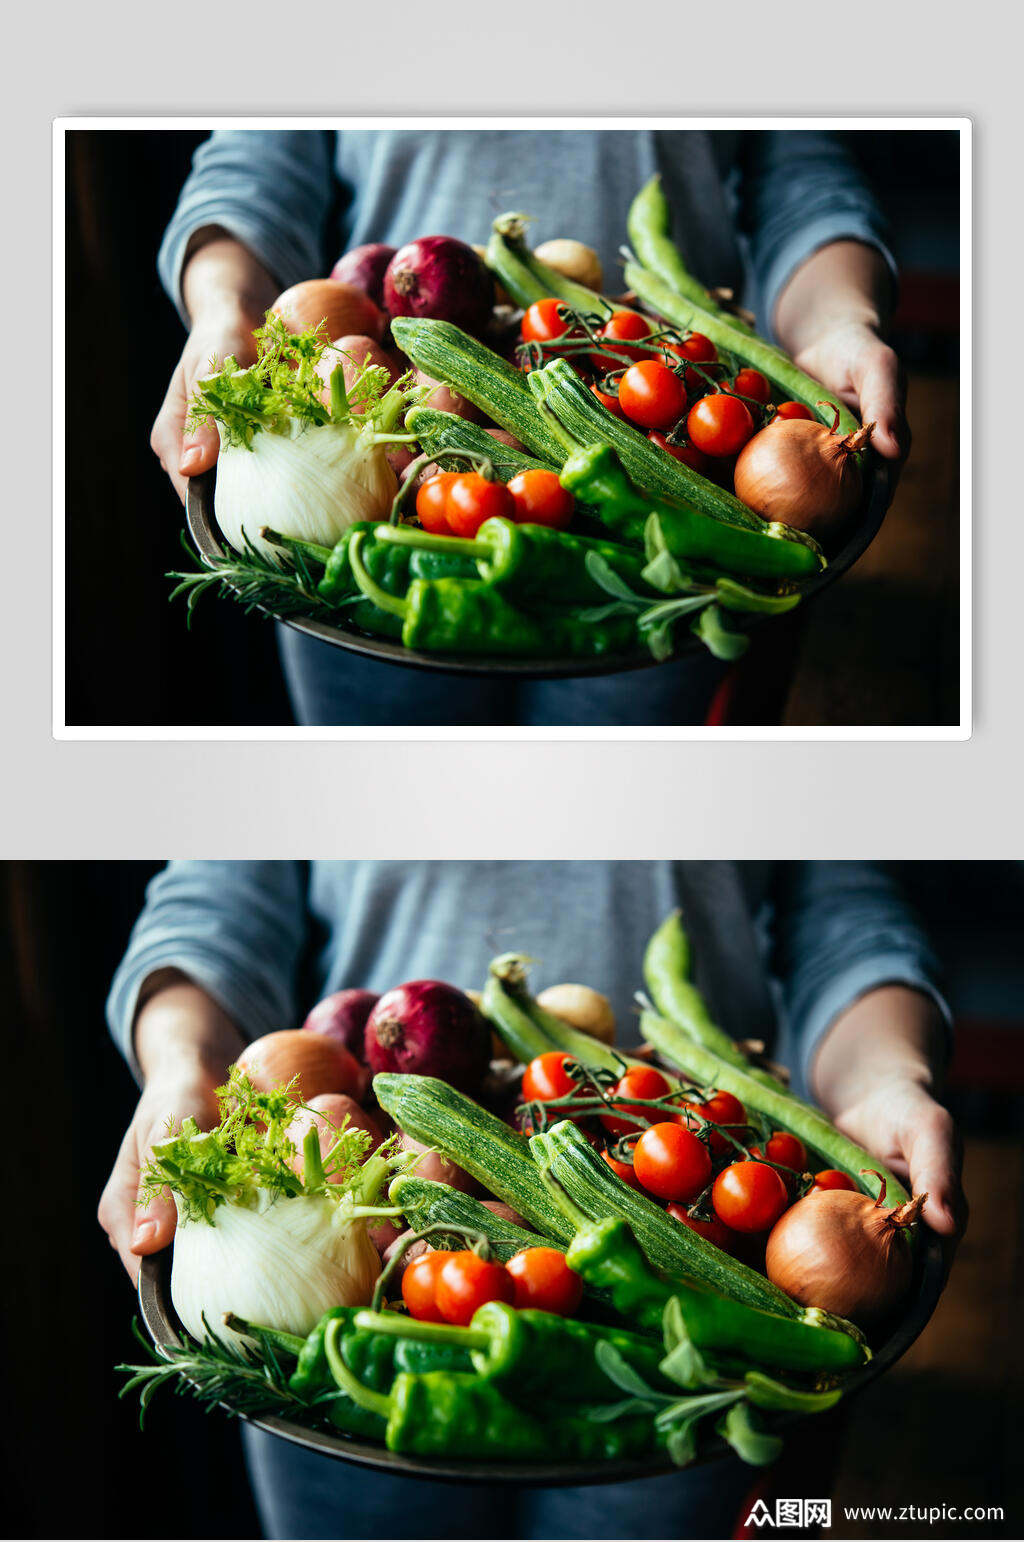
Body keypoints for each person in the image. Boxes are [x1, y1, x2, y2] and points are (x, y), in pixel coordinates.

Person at [99, 860, 964, 1541]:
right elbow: (215, 897)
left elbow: (843, 916)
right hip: (347, 1240)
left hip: (693, 1216)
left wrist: (887, 1077)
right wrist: (182, 1069)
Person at [150, 129, 911, 728]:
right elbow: (252, 170)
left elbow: (801, 181)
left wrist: (840, 318)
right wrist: (226, 313)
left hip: (675, 472)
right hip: (370, 475)